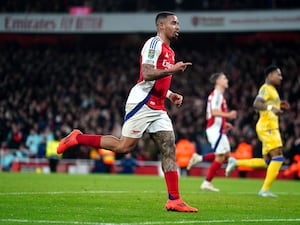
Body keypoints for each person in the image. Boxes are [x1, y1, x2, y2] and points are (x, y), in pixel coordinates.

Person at [56, 11, 198, 212]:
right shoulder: (153, 44)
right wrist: (172, 70)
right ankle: (78, 138)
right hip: (142, 102)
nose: (178, 26)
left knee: (168, 145)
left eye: (178, 23)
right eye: (174, 23)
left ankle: (174, 199)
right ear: (161, 26)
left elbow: (159, 81)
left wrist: (170, 94)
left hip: (158, 105)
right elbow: (147, 74)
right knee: (124, 147)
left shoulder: (171, 52)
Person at [226, 64, 290, 197]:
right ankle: (264, 190)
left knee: (267, 161)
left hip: (269, 127)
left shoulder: (272, 90)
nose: (281, 77)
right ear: (270, 75)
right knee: (278, 156)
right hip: (268, 127)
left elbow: (265, 104)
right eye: (278, 74)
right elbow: (256, 104)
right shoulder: (266, 88)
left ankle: (236, 162)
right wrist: (271, 108)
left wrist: (278, 105)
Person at [187, 72, 237, 191]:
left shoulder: (217, 95)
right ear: (218, 81)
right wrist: (228, 115)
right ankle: (206, 182)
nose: (227, 80)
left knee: (225, 155)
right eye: (224, 78)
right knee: (220, 156)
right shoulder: (217, 95)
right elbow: (214, 112)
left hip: (218, 129)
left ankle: (200, 159)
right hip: (215, 130)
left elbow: (208, 115)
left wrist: (224, 123)